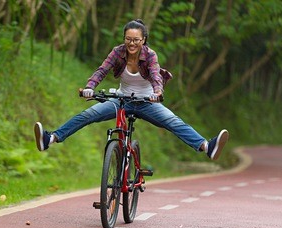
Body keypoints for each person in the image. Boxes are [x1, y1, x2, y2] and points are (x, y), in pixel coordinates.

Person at [34, 19, 229, 160]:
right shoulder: (118, 51)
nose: (132, 43)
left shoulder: (150, 55)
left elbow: (155, 75)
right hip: (121, 100)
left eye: (136, 40)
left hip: (146, 102)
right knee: (88, 114)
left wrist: (158, 93)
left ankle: (206, 146)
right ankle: (50, 138)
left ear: (143, 40)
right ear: (124, 39)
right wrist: (89, 88)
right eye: (128, 39)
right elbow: (101, 71)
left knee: (173, 121)